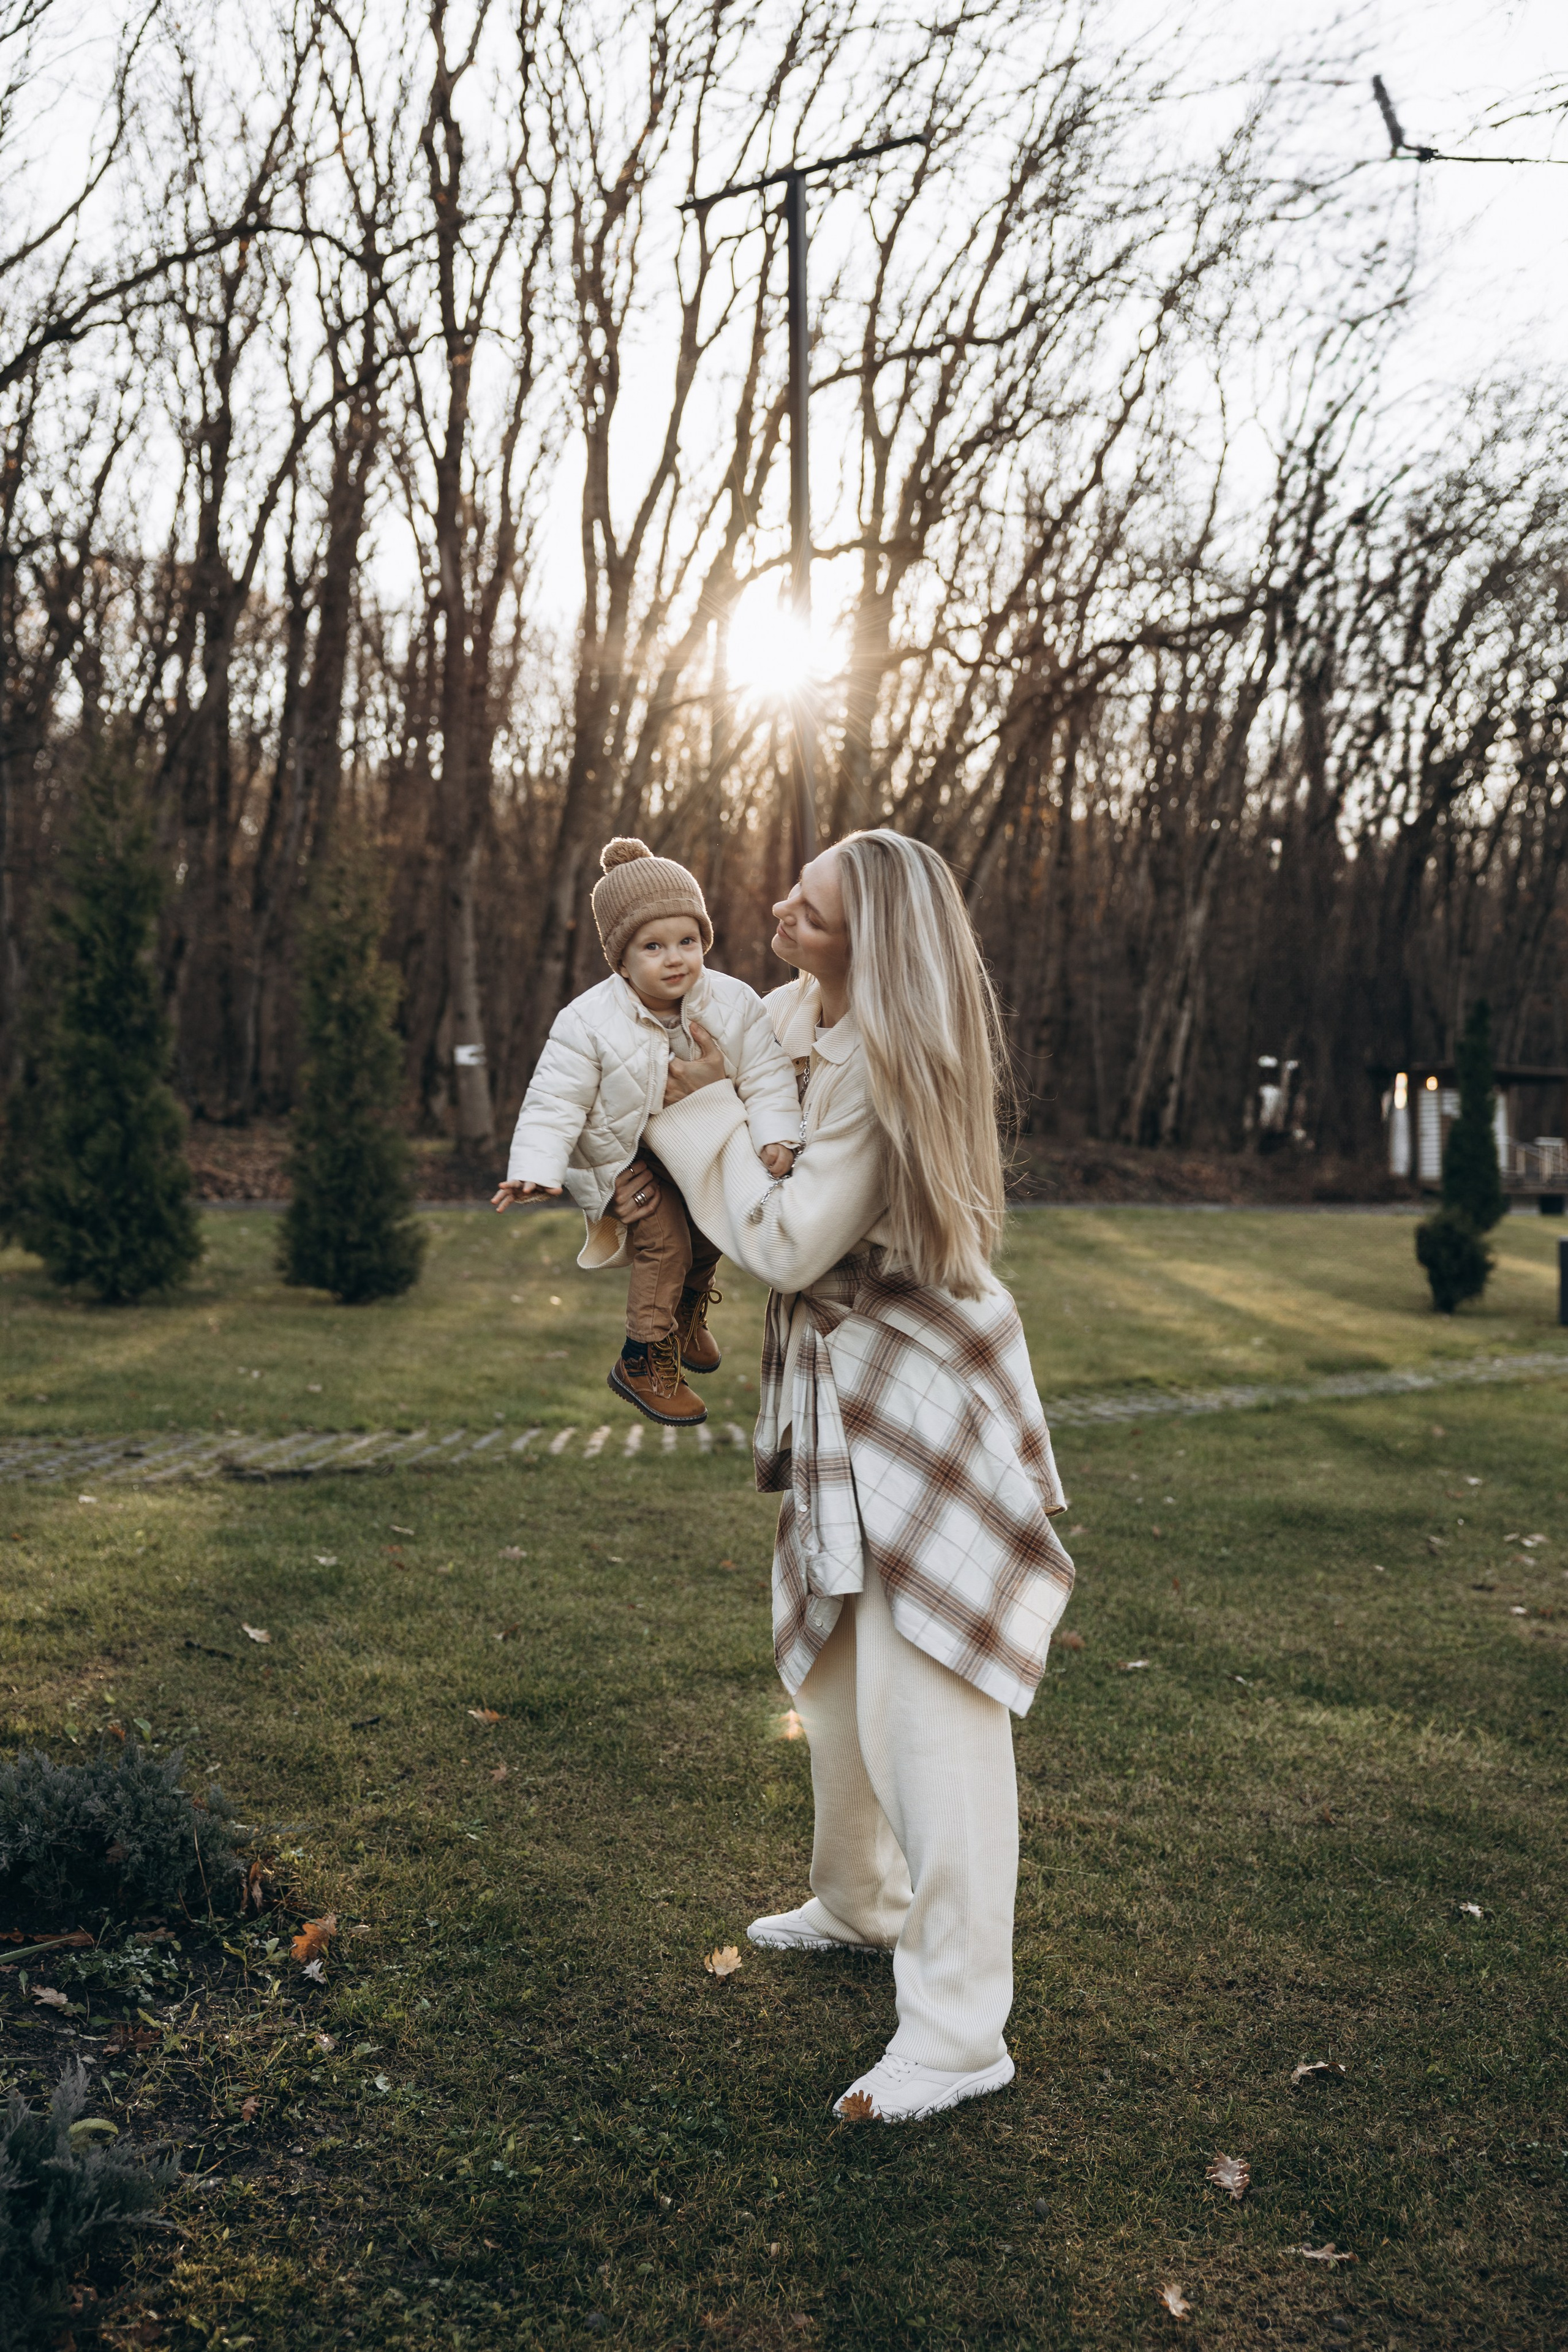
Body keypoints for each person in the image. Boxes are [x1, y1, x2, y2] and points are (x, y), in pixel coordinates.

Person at [612, 829, 1076, 2124]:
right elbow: (702, 1028)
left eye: (807, 913)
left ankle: (954, 2032)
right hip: (835, 1379)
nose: (774, 913)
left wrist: (686, 1109)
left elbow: (782, 1237)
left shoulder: (882, 1056)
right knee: (830, 1670)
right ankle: (857, 1899)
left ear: (868, 943)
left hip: (915, 1385)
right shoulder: (794, 1012)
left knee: (926, 1703)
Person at [491, 838, 802, 1426]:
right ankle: (643, 1355)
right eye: (652, 946)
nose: (675, 958)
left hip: (690, 1147)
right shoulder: (588, 1020)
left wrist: (777, 1136)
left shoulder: (733, 1003)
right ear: (621, 958)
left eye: (687, 941)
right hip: (620, 1157)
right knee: (666, 1240)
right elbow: (554, 1099)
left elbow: (767, 1075)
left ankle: (684, 1318)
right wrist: (536, 1167)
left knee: (714, 1226)